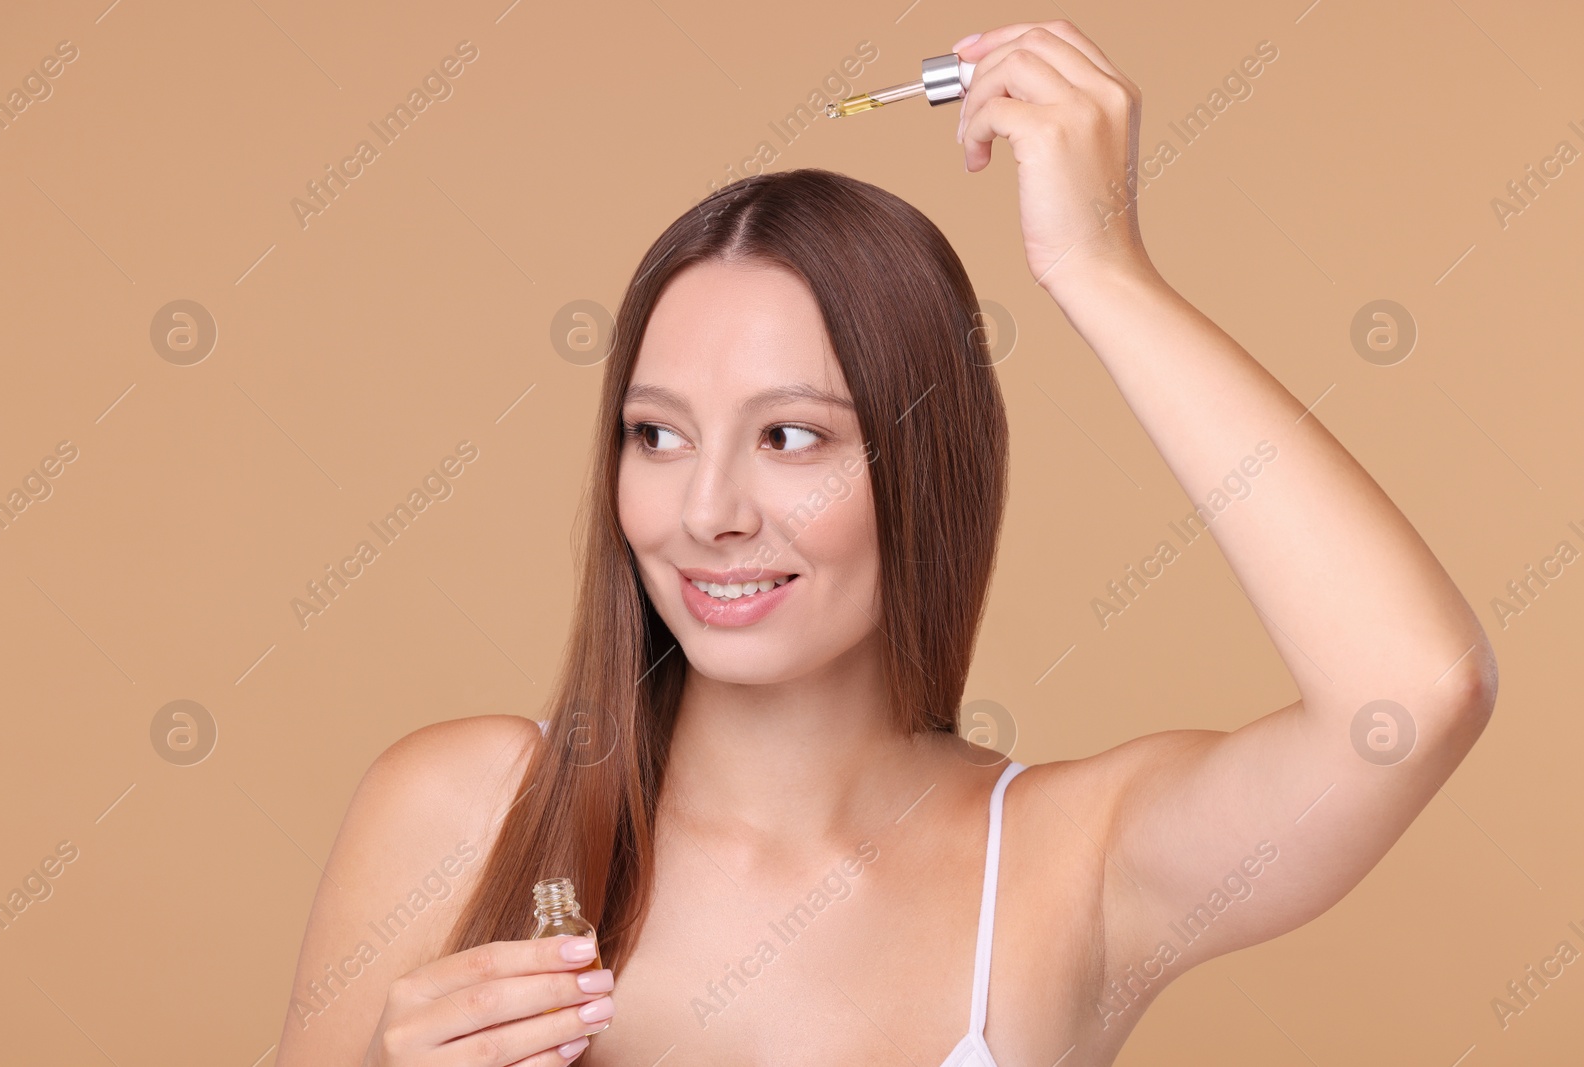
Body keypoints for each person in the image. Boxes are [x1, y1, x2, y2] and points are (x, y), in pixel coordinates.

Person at [273, 20, 1497, 1067]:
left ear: (927, 465)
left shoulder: (1070, 864)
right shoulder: (466, 810)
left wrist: (1099, 266)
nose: (707, 510)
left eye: (792, 438)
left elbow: (1411, 695)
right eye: (655, 434)